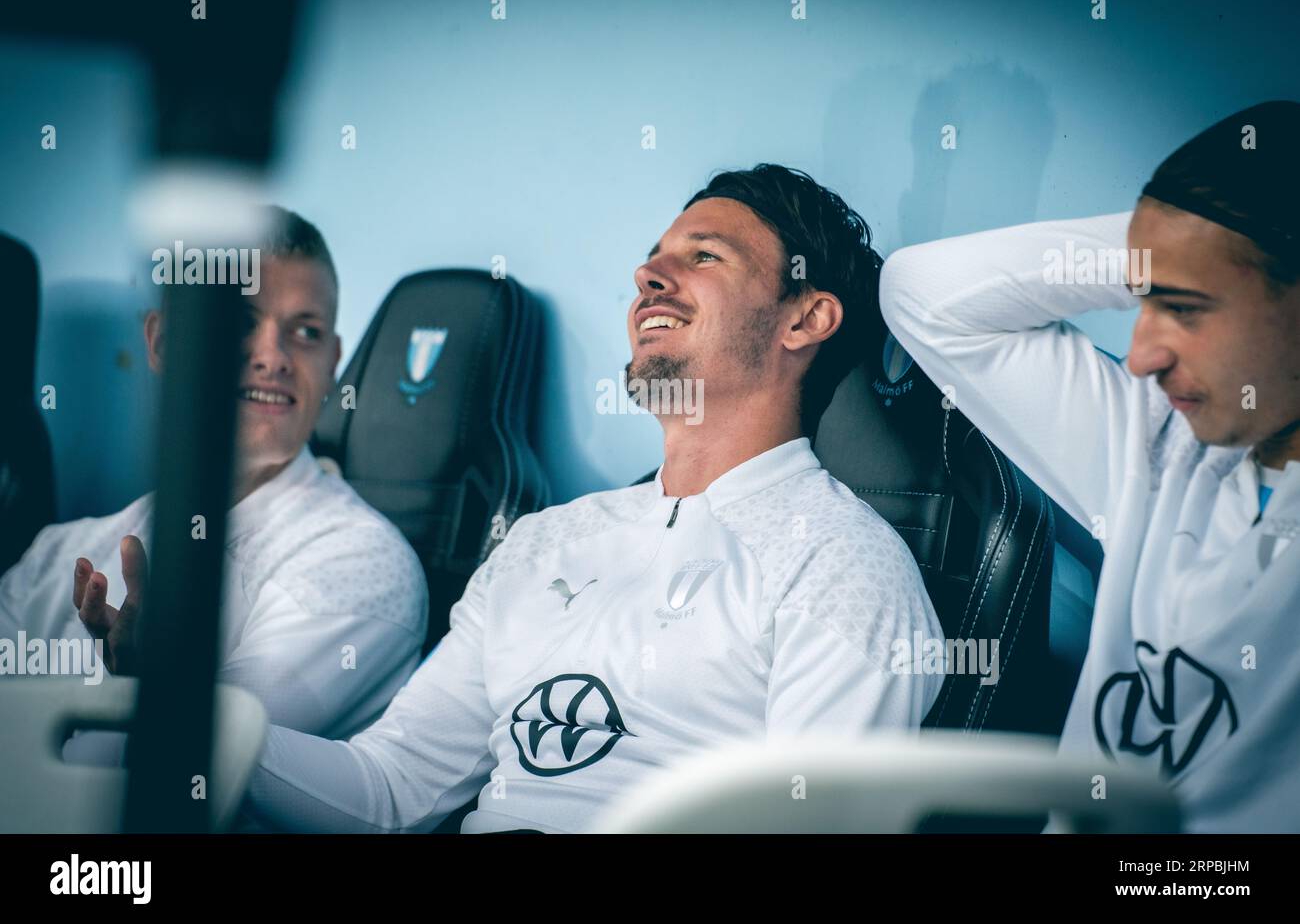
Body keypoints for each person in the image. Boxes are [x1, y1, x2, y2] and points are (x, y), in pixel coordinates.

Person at [246, 164, 944, 833]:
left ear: (805, 319)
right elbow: (389, 790)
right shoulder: (541, 541)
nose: (647, 277)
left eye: (705, 257)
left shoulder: (845, 565)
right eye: (652, 259)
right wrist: (193, 720)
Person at [880, 101, 1300, 832]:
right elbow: (923, 294)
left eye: (1187, 309)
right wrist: (1171, 243)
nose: (1139, 357)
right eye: (1143, 302)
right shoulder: (1164, 443)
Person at [0, 207, 428, 754]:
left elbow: (137, 772)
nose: (273, 357)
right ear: (160, 344)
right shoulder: (58, 551)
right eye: (240, 322)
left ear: (332, 365)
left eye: (306, 331)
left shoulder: (362, 566)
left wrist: (146, 688)